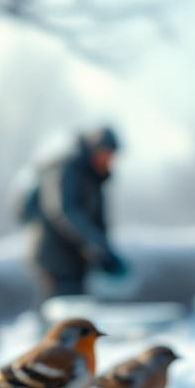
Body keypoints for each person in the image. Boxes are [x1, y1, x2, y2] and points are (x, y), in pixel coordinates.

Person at [21, 126, 127, 298]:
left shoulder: (93, 176)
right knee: (61, 316)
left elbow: (96, 220)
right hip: (53, 258)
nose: (109, 161)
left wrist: (105, 252)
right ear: (95, 149)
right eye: (106, 154)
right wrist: (97, 245)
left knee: (74, 313)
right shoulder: (68, 168)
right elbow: (63, 211)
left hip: (73, 261)